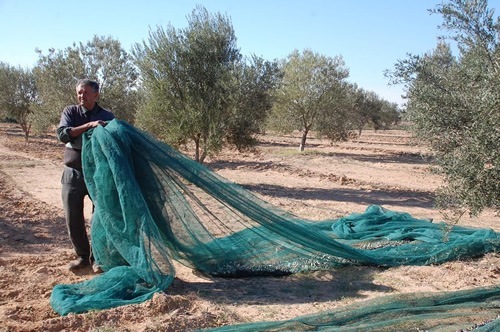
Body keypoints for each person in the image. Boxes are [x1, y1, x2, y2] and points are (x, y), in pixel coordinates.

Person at [56, 79, 115, 273]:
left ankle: (98, 257)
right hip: (73, 172)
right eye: (79, 93)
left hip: (99, 174)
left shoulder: (107, 116)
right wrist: (89, 125)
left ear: (96, 94)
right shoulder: (71, 112)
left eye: (86, 93)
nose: (82, 96)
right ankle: (82, 256)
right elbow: (63, 134)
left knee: (99, 217)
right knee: (73, 217)